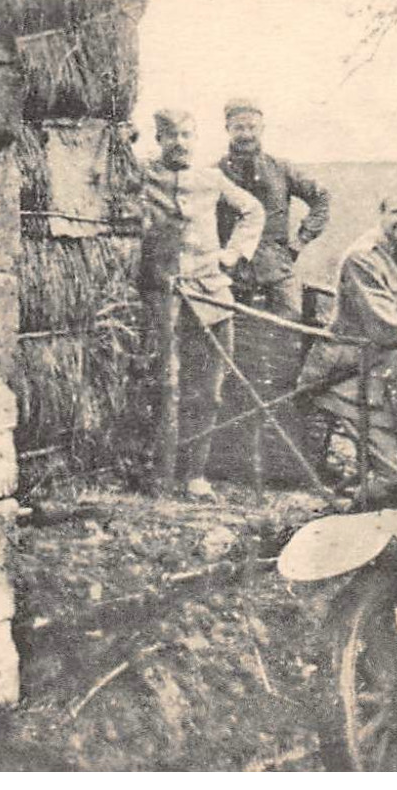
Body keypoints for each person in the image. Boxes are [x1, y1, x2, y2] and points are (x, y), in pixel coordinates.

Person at [297, 183, 397, 508]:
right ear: (382, 215)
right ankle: (350, 524)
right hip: (351, 374)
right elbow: (386, 326)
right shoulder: (363, 258)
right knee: (396, 474)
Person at [137, 108, 264, 497]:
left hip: (211, 294)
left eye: (188, 135)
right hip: (162, 295)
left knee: (209, 390)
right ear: (158, 139)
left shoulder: (211, 178)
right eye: (171, 135)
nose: (180, 143)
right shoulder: (143, 175)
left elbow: (252, 210)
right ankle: (160, 472)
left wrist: (232, 255)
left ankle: (195, 474)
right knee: (162, 385)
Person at [216, 98, 330, 318]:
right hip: (231, 270)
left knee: (291, 320)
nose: (246, 134)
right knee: (231, 327)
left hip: (276, 266)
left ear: (262, 129)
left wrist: (301, 240)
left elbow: (321, 198)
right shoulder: (215, 174)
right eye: (239, 128)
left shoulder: (280, 169)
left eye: (252, 127)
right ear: (227, 129)